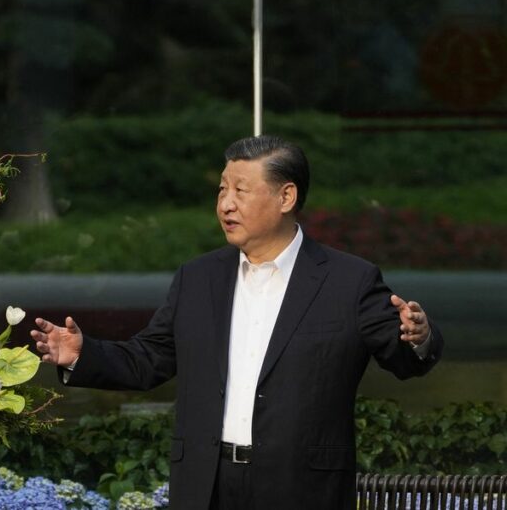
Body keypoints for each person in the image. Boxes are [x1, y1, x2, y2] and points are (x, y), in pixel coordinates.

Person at [30, 135, 443, 510]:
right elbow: (150, 358)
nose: (226, 204)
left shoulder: (348, 280)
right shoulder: (198, 278)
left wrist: (417, 336)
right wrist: (83, 354)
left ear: (286, 197)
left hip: (300, 487)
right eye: (222, 189)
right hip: (207, 482)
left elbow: (404, 355)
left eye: (241, 191)